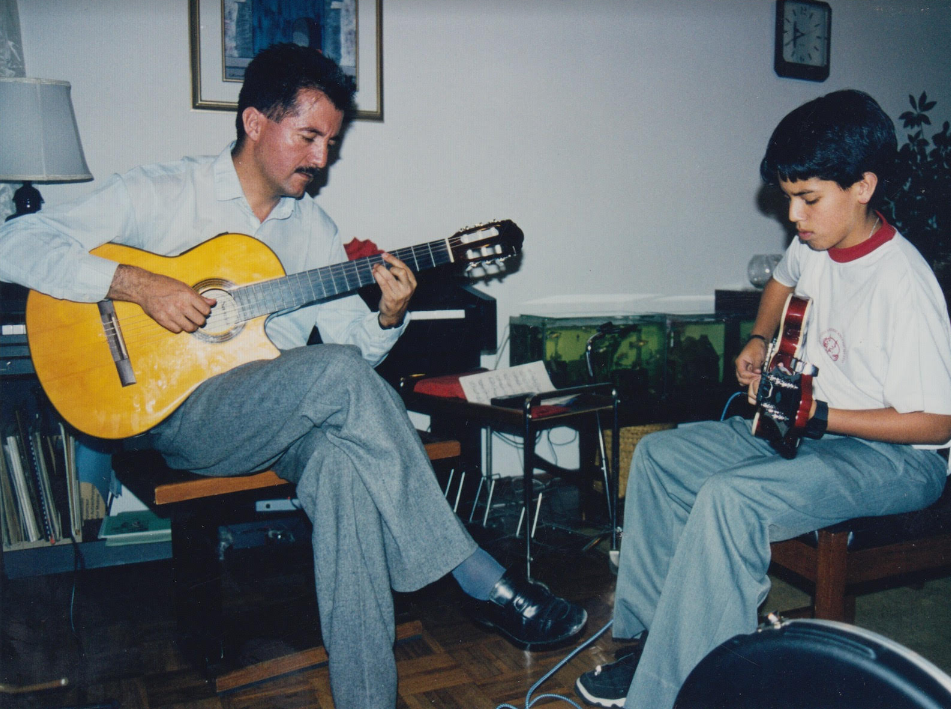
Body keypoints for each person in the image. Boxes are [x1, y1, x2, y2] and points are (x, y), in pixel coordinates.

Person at [0, 43, 586, 709]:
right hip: (176, 411)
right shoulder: (165, 191)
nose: (321, 159)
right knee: (331, 377)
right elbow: (15, 241)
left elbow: (353, 365)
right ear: (254, 122)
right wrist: (137, 283)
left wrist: (390, 315)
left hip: (277, 415)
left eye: (331, 143)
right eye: (308, 136)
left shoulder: (313, 230)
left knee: (342, 471)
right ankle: (475, 574)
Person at [573, 89, 951, 709]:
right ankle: (659, 643)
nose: (793, 215)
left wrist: (822, 416)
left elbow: (936, 422)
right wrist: (761, 338)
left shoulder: (903, 283)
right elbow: (783, 281)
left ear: (863, 186)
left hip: (899, 458)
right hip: (814, 430)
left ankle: (689, 690)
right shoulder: (816, 245)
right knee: (658, 458)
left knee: (734, 501)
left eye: (807, 198)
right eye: (788, 198)